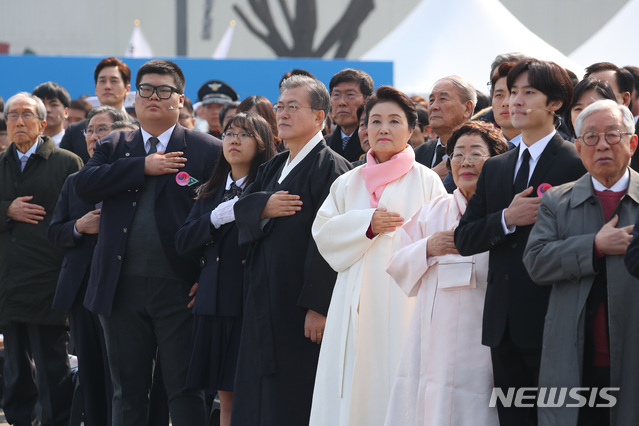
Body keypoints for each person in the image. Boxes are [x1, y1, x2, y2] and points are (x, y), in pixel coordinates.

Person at [74, 59, 222, 426]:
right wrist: (143, 166)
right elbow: (84, 186)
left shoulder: (207, 149)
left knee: (185, 390)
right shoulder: (114, 143)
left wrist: (207, 278)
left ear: (180, 100)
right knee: (127, 391)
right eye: (146, 89)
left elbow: (221, 218)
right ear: (134, 98)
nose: (154, 97)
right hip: (119, 288)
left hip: (181, 288)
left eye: (164, 90)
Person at [454, 58, 587, 426]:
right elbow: (465, 237)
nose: (516, 101)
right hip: (502, 322)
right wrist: (506, 219)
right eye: (513, 92)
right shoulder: (497, 167)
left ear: (555, 103)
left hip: (554, 317)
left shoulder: (576, 162)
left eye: (529, 92)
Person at [309, 86, 446, 426]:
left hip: (403, 300)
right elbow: (323, 233)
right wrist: (366, 225)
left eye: (394, 121)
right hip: (351, 299)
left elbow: (441, 239)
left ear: (411, 130)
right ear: (364, 130)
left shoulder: (427, 181)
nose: (384, 128)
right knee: (349, 387)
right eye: (376, 121)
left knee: (397, 380)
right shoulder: (348, 182)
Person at [231, 74, 352, 426]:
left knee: (294, 394)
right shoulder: (271, 167)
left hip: (299, 305)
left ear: (319, 116)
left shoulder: (332, 169)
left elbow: (333, 241)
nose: (282, 113)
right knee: (255, 392)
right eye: (280, 106)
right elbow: (242, 211)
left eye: (292, 107)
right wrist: (263, 207)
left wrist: (318, 305)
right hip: (261, 297)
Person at [384, 121, 507, 426]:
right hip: (431, 335)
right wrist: (427, 247)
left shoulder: (505, 213)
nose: (465, 162)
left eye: (476, 154)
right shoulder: (432, 210)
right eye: (458, 154)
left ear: (496, 160)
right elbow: (396, 263)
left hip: (483, 334)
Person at [525, 100, 639, 425]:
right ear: (577, 146)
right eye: (590, 137)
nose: (602, 144)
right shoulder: (556, 202)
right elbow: (535, 261)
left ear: (632, 142)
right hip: (573, 359)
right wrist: (595, 247)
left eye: (612, 135)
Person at [175, 113, 276, 426]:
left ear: (261, 144)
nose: (233, 140)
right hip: (212, 301)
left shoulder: (267, 189)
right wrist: (213, 219)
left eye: (244, 134)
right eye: (229, 133)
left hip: (248, 302)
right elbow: (182, 240)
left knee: (247, 390)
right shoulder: (210, 191)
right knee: (223, 392)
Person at [0, 92, 83, 426]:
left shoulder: (66, 162)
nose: (19, 122)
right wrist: (6, 210)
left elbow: (79, 217)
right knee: (15, 370)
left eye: (26, 115)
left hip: (50, 281)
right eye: (12, 116)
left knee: (53, 368)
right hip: (8, 281)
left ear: (42, 122)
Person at [48, 106, 130, 426]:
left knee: (121, 376)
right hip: (82, 291)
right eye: (91, 130)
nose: (95, 136)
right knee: (91, 374)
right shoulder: (74, 181)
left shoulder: (135, 177)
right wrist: (78, 227)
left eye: (103, 129)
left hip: (122, 289)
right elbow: (54, 234)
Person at [60, 57, 132, 163]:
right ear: (95, 88)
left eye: (114, 81)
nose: (107, 86)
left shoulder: (140, 127)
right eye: (102, 81)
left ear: (127, 89)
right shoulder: (74, 131)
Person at [415, 76, 476, 183]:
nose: (434, 106)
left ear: (467, 108)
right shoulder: (418, 154)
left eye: (443, 99)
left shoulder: (482, 153)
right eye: (431, 100)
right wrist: (432, 176)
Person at [326, 68, 374, 162]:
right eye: (336, 95)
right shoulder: (322, 145)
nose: (342, 102)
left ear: (367, 100)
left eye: (350, 95)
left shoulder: (376, 143)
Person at [491, 62, 522, 149]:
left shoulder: (548, 149)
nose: (506, 103)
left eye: (514, 93)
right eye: (499, 95)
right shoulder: (482, 149)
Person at [32, 81, 71, 147]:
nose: (47, 110)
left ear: (66, 112)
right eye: (42, 105)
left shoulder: (75, 143)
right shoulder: (26, 144)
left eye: (54, 104)